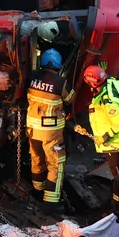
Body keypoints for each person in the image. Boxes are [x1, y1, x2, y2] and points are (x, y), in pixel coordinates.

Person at [25, 49, 75, 209]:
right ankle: (51, 202)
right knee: (55, 164)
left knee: (37, 159)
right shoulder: (60, 82)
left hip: (33, 130)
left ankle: (38, 191)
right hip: (51, 132)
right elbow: (69, 99)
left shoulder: (32, 77)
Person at [84, 65, 119, 177]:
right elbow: (117, 79)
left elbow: (118, 124)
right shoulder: (112, 82)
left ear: (93, 83)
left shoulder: (108, 102)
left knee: (117, 170)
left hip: (115, 141)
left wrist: (104, 137)